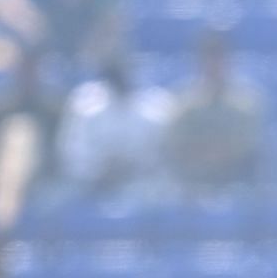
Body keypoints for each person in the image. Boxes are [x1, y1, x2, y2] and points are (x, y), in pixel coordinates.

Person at [162, 29, 264, 191]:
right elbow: (176, 146)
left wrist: (221, 153)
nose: (214, 64)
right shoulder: (184, 105)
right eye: (209, 57)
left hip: (237, 185)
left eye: (219, 57)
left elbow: (249, 145)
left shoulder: (247, 104)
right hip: (193, 186)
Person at [59, 55, 171, 200]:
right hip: (90, 187)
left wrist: (129, 167)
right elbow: (73, 155)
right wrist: (100, 170)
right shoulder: (87, 110)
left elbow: (161, 157)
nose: (122, 79)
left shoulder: (154, 110)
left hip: (141, 187)